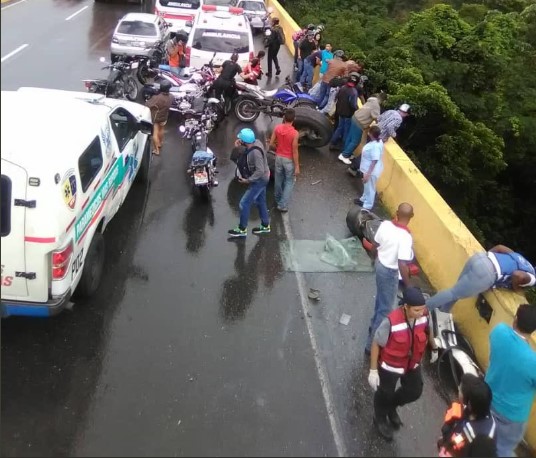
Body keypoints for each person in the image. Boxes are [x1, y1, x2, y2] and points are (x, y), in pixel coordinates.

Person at [369, 287, 436, 440]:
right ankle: (379, 418)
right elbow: (376, 343)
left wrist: (434, 346)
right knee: (385, 393)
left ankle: (392, 406)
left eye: (422, 309)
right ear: (406, 307)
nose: (421, 313)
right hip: (391, 366)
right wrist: (373, 371)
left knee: (415, 391)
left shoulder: (424, 315)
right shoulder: (391, 322)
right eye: (417, 310)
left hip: (412, 363)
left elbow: (428, 329)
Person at [484, 303, 536, 457]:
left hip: (486, 398)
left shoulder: (499, 331)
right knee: (502, 450)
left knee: (478, 435)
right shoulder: (533, 362)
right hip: (512, 415)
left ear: (515, 319)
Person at [365, 202, 415, 354]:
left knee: (380, 300)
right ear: (411, 217)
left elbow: (374, 244)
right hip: (389, 272)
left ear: (396, 213)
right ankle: (371, 346)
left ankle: (372, 325)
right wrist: (409, 287)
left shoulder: (385, 225)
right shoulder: (406, 237)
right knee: (386, 310)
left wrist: (373, 260)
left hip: (380, 264)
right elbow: (402, 263)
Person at [426, 245, 536, 313]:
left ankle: (443, 312)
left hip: (480, 258)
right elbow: (518, 275)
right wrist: (516, 289)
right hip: (487, 272)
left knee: (456, 291)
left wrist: (486, 259)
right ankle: (421, 309)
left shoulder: (522, 261)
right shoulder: (532, 277)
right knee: (454, 293)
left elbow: (499, 247)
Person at [437, 374, 497, 457]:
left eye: (460, 390)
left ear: (470, 403)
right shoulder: (474, 410)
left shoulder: (483, 437)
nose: (458, 388)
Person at [229, 128, 271, 238]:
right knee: (260, 201)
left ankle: (242, 229)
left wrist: (248, 180)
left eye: (240, 139)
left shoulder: (255, 153)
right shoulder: (256, 142)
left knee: (244, 203)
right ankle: (265, 226)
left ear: (244, 141)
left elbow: (260, 170)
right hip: (264, 177)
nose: (239, 139)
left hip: (260, 180)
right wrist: (238, 146)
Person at [342, 93, 386, 167]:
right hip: (360, 122)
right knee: (356, 141)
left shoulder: (372, 100)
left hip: (355, 117)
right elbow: (376, 117)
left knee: (350, 137)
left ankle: (346, 152)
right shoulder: (376, 106)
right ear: (383, 100)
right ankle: (344, 155)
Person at [269, 108, 299, 212]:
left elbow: (271, 144)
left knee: (278, 179)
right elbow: (295, 151)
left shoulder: (277, 128)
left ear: (284, 118)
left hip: (278, 158)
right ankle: (282, 205)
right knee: (289, 181)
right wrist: (297, 166)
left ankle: (278, 199)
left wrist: (278, 149)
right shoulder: (295, 133)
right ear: (294, 119)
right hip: (288, 160)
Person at [354, 125, 384, 210]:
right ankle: (363, 199)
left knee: (370, 188)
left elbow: (374, 161)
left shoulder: (376, 146)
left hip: (371, 171)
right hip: (367, 169)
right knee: (367, 186)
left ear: (371, 134)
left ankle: (367, 206)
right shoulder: (378, 141)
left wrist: (368, 174)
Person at [329, 72, 360, 154]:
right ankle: (343, 148)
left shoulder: (342, 87)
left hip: (340, 111)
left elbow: (336, 97)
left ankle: (332, 143)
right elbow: (353, 105)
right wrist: (357, 109)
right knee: (346, 130)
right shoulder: (353, 92)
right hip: (348, 114)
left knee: (339, 127)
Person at [145, 79, 172, 156]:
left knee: (155, 134)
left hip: (156, 118)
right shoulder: (171, 97)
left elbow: (147, 104)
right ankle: (160, 143)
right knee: (162, 130)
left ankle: (156, 150)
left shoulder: (156, 98)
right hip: (165, 117)